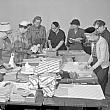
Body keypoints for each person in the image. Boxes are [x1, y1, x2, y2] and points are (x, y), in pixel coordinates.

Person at [84, 27, 109, 94]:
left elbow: (102, 59)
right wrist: (88, 63)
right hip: (95, 62)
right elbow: (92, 54)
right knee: (95, 81)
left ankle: (102, 98)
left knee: (101, 83)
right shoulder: (93, 41)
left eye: (88, 37)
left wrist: (92, 68)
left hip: (102, 65)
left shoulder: (102, 41)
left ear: (93, 35)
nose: (88, 39)